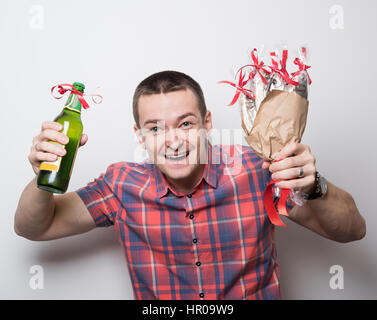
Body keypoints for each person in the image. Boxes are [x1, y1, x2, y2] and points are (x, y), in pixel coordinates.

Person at [15, 71, 366, 300]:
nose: (173, 141)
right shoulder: (120, 184)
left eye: (185, 123)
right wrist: (44, 176)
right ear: (139, 135)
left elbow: (352, 230)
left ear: (207, 122)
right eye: (155, 128)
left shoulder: (257, 168)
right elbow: (35, 227)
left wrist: (314, 185)